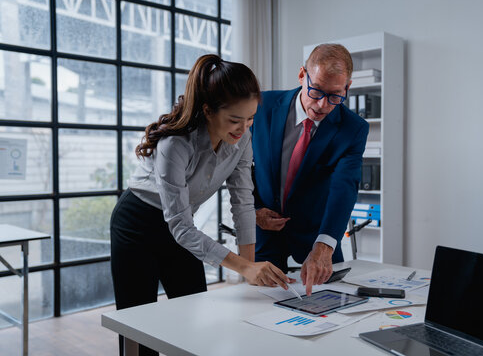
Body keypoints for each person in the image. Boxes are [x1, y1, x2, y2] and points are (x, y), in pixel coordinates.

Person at [110, 54, 293, 356]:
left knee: (194, 319)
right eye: (235, 119)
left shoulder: (242, 139)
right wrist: (245, 266)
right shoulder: (175, 145)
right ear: (208, 110)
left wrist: (251, 271)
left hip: (181, 226)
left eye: (250, 119)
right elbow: (181, 227)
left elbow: (243, 201)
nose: (243, 128)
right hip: (137, 225)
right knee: (139, 326)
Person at [252, 44, 369, 296]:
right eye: (316, 91)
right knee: (258, 306)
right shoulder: (261, 106)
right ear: (302, 75)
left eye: (335, 95)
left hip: (318, 235)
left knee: (330, 309)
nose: (323, 105)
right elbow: (238, 167)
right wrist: (252, 211)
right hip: (264, 231)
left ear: (347, 87)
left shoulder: (354, 129)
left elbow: (344, 186)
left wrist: (325, 245)